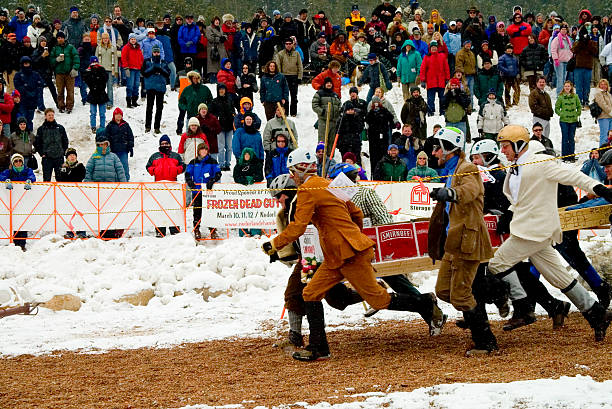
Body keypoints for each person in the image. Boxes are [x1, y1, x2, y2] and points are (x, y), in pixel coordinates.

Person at [261, 147, 444, 361]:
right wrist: (353, 235)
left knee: (379, 300)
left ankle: (424, 303)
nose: (292, 177)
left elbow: (298, 227)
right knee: (310, 293)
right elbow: (355, 212)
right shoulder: (329, 184)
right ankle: (319, 347)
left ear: (301, 169)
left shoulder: (307, 190)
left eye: (293, 172)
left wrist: (273, 244)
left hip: (348, 254)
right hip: (337, 255)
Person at [488, 125, 612, 342]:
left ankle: (523, 306)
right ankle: (596, 313)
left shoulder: (541, 162)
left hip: (533, 231)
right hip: (529, 228)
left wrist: (599, 188)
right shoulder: (515, 166)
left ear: (518, 145)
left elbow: (572, 175)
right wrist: (509, 213)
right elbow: (519, 197)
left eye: (505, 146)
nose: (503, 151)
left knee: (497, 265)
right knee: (558, 276)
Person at [426, 127, 497, 356]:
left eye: (438, 148)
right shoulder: (450, 171)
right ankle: (495, 292)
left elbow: (470, 191)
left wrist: (450, 194)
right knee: (443, 290)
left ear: (449, 148)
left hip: (469, 239)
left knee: (460, 295)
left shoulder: (467, 168)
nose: (434, 153)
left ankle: (485, 342)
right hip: (454, 240)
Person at [146, 134, 185, 237]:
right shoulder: (154, 156)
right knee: (159, 209)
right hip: (158, 186)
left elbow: (182, 166)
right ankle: (160, 230)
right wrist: (155, 171)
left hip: (172, 185)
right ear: (160, 145)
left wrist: (176, 170)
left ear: (170, 144)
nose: (164, 145)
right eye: (162, 144)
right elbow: (148, 166)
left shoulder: (175, 155)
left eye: (166, 143)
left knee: (173, 208)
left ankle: (175, 230)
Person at [185, 142, 221, 240]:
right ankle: (196, 229)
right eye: (202, 149)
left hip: (209, 191)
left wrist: (212, 180)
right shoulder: (193, 162)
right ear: (198, 151)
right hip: (197, 191)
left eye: (205, 149)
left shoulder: (212, 161)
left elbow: (218, 173)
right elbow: (187, 173)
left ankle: (212, 229)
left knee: (210, 211)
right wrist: (190, 181)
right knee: (197, 211)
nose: (204, 151)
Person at [1, 153, 35, 250]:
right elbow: (1, 176)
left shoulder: (27, 170)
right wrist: (6, 180)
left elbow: (32, 176)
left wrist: (29, 180)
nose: (18, 163)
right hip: (13, 200)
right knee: (15, 221)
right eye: (16, 161)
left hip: (25, 199)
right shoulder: (9, 172)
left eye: (20, 161)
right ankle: (16, 243)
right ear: (13, 163)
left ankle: (22, 243)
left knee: (23, 221)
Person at [56, 147, 86, 239]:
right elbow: (59, 179)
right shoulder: (62, 167)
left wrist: (69, 174)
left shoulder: (80, 166)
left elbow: (79, 177)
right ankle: (70, 231)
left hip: (78, 192)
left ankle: (81, 231)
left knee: (79, 211)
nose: (72, 157)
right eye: (70, 155)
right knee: (69, 212)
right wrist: (66, 173)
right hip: (67, 193)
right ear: (67, 157)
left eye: (74, 155)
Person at [35, 108, 69, 181]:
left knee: (60, 179)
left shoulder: (60, 128)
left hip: (59, 158)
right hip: (47, 158)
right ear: (45, 116)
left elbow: (65, 141)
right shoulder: (41, 129)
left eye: (52, 115)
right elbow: (37, 143)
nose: (51, 116)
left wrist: (63, 152)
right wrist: (42, 153)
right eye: (49, 115)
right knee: (47, 180)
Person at [50, 31, 79, 114]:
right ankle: (61, 106)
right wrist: (56, 59)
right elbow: (51, 61)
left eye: (61, 38)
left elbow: (76, 57)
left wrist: (75, 68)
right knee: (60, 91)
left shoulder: (70, 47)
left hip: (69, 73)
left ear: (64, 38)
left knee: (70, 91)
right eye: (58, 38)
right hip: (59, 73)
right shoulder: (55, 48)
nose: (60, 39)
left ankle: (69, 106)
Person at [142, 45, 169, 134]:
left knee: (159, 108)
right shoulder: (147, 61)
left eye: (158, 52)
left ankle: (157, 127)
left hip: (160, 88)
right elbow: (144, 73)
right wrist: (153, 69)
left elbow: (168, 73)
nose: (156, 54)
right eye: (155, 52)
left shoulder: (164, 62)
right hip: (150, 87)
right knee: (149, 108)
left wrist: (160, 70)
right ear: (152, 52)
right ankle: (148, 126)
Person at [209, 84, 236, 171]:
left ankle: (227, 164)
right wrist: (217, 117)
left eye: (223, 89)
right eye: (220, 89)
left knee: (229, 147)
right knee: (221, 147)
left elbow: (233, 111)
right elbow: (211, 114)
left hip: (229, 126)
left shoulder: (229, 100)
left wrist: (232, 116)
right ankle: (221, 164)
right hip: (219, 127)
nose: (221, 91)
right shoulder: (214, 101)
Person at [419, 41, 450, 116]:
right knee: (430, 99)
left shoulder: (442, 56)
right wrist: (423, 80)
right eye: (432, 47)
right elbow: (423, 69)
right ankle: (430, 112)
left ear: (437, 48)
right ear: (430, 48)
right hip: (431, 82)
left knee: (442, 98)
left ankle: (442, 111)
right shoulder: (426, 57)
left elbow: (446, 68)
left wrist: (447, 79)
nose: (433, 48)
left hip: (441, 81)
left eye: (435, 47)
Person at [13, 56, 43, 131]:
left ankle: (29, 134)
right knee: (23, 118)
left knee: (30, 118)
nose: (26, 65)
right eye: (25, 63)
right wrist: (27, 91)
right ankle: (23, 134)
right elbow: (18, 86)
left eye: (28, 63)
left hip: (32, 101)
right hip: (22, 101)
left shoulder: (35, 74)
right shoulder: (18, 75)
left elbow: (40, 85)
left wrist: (35, 93)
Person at [177, 70, 213, 135]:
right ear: (191, 78)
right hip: (190, 116)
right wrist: (186, 107)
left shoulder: (205, 89)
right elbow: (181, 101)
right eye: (194, 78)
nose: (195, 80)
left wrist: (206, 109)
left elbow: (210, 100)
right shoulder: (187, 89)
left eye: (197, 78)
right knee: (189, 137)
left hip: (202, 117)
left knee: (202, 136)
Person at [366, 96, 396, 170]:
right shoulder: (371, 113)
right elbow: (367, 120)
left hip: (383, 137)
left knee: (383, 155)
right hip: (373, 139)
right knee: (374, 157)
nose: (376, 105)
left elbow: (391, 118)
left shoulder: (384, 111)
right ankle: (374, 172)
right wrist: (372, 111)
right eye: (374, 103)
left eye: (377, 103)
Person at [275, 38, 303, 117]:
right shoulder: (280, 54)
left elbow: (300, 66)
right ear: (284, 45)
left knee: (294, 96)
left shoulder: (296, 53)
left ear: (292, 44)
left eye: (289, 44)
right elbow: (278, 65)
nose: (288, 45)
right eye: (286, 44)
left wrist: (299, 77)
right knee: (285, 96)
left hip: (294, 76)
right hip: (284, 76)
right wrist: (280, 77)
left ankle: (293, 112)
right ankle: (285, 112)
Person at [571, 27, 599, 107]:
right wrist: (581, 42)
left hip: (588, 67)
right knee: (579, 85)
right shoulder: (577, 42)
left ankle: (586, 100)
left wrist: (588, 42)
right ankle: (579, 100)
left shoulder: (592, 42)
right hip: (578, 66)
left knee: (587, 85)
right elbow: (573, 50)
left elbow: (595, 51)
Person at [555, 81, 581, 161]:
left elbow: (579, 106)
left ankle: (571, 155)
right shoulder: (561, 97)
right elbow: (556, 108)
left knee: (571, 138)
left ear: (571, 87)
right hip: (564, 121)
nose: (567, 88)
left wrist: (577, 114)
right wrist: (561, 114)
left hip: (573, 120)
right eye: (565, 86)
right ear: (563, 87)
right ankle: (565, 156)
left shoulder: (575, 96)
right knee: (565, 138)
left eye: (568, 86)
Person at [105, 107, 134, 181]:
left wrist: (130, 147)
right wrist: (108, 148)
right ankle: (115, 181)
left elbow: (130, 136)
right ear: (114, 115)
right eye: (117, 114)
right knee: (114, 167)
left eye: (120, 114)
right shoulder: (110, 125)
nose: (118, 116)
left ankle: (126, 181)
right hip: (113, 151)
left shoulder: (126, 125)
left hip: (123, 150)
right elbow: (106, 137)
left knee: (124, 166)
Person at [312, 77, 341, 147]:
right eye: (327, 83)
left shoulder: (335, 95)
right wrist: (322, 112)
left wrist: (339, 112)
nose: (329, 84)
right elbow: (314, 105)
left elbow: (339, 105)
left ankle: (330, 157)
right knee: (322, 140)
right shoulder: (319, 93)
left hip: (333, 121)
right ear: (324, 84)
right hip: (323, 121)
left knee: (332, 141)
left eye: (330, 83)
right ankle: (321, 156)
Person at [82, 56, 108, 133]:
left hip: (101, 94)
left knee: (102, 113)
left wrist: (98, 73)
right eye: (93, 62)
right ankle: (93, 126)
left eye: (96, 62)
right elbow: (87, 80)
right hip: (93, 94)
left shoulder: (102, 70)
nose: (95, 64)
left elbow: (105, 79)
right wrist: (92, 71)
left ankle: (102, 126)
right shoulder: (88, 71)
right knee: (93, 113)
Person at [95, 32, 117, 110]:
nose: (105, 40)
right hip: (101, 70)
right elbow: (96, 59)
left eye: (106, 38)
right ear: (102, 39)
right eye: (104, 38)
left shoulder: (113, 48)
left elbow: (116, 60)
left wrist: (116, 70)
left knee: (109, 87)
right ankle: (102, 101)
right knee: (101, 87)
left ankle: (110, 102)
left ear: (108, 39)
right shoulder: (99, 48)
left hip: (110, 69)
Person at [121, 34, 144, 108]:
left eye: (134, 39)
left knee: (136, 85)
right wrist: (126, 67)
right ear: (129, 40)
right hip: (130, 69)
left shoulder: (138, 48)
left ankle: (134, 101)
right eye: (132, 39)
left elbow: (141, 58)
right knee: (130, 85)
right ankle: (129, 101)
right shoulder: (126, 48)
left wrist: (141, 66)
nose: (133, 40)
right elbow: (124, 58)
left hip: (137, 69)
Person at [550, 24, 573, 96]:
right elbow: (553, 50)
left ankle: (564, 93)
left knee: (564, 79)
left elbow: (570, 50)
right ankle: (559, 94)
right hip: (559, 61)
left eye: (565, 29)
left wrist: (570, 58)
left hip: (566, 61)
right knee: (560, 78)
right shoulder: (556, 39)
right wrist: (555, 59)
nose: (564, 31)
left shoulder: (568, 39)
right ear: (560, 30)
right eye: (562, 29)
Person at [498, 43, 520, 108]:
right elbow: (500, 66)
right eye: (508, 49)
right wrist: (506, 71)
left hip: (514, 76)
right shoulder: (502, 57)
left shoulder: (514, 58)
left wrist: (517, 72)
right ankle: (508, 103)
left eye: (511, 49)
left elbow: (517, 66)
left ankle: (515, 102)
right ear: (506, 50)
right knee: (507, 91)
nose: (509, 50)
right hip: (506, 76)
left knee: (517, 89)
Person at [455, 40, 476, 104]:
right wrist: (461, 75)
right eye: (467, 44)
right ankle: (464, 107)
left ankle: (471, 107)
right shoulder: (460, 53)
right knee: (464, 92)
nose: (468, 45)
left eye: (469, 44)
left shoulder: (471, 53)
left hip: (471, 75)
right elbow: (459, 65)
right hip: (464, 76)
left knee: (471, 93)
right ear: (464, 44)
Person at [594, 79, 612, 147]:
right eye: (602, 84)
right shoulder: (598, 93)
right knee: (604, 135)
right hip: (603, 117)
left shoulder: (608, 94)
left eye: (605, 84)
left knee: (610, 136)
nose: (603, 86)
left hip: (610, 117)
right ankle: (602, 152)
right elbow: (603, 105)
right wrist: (610, 112)